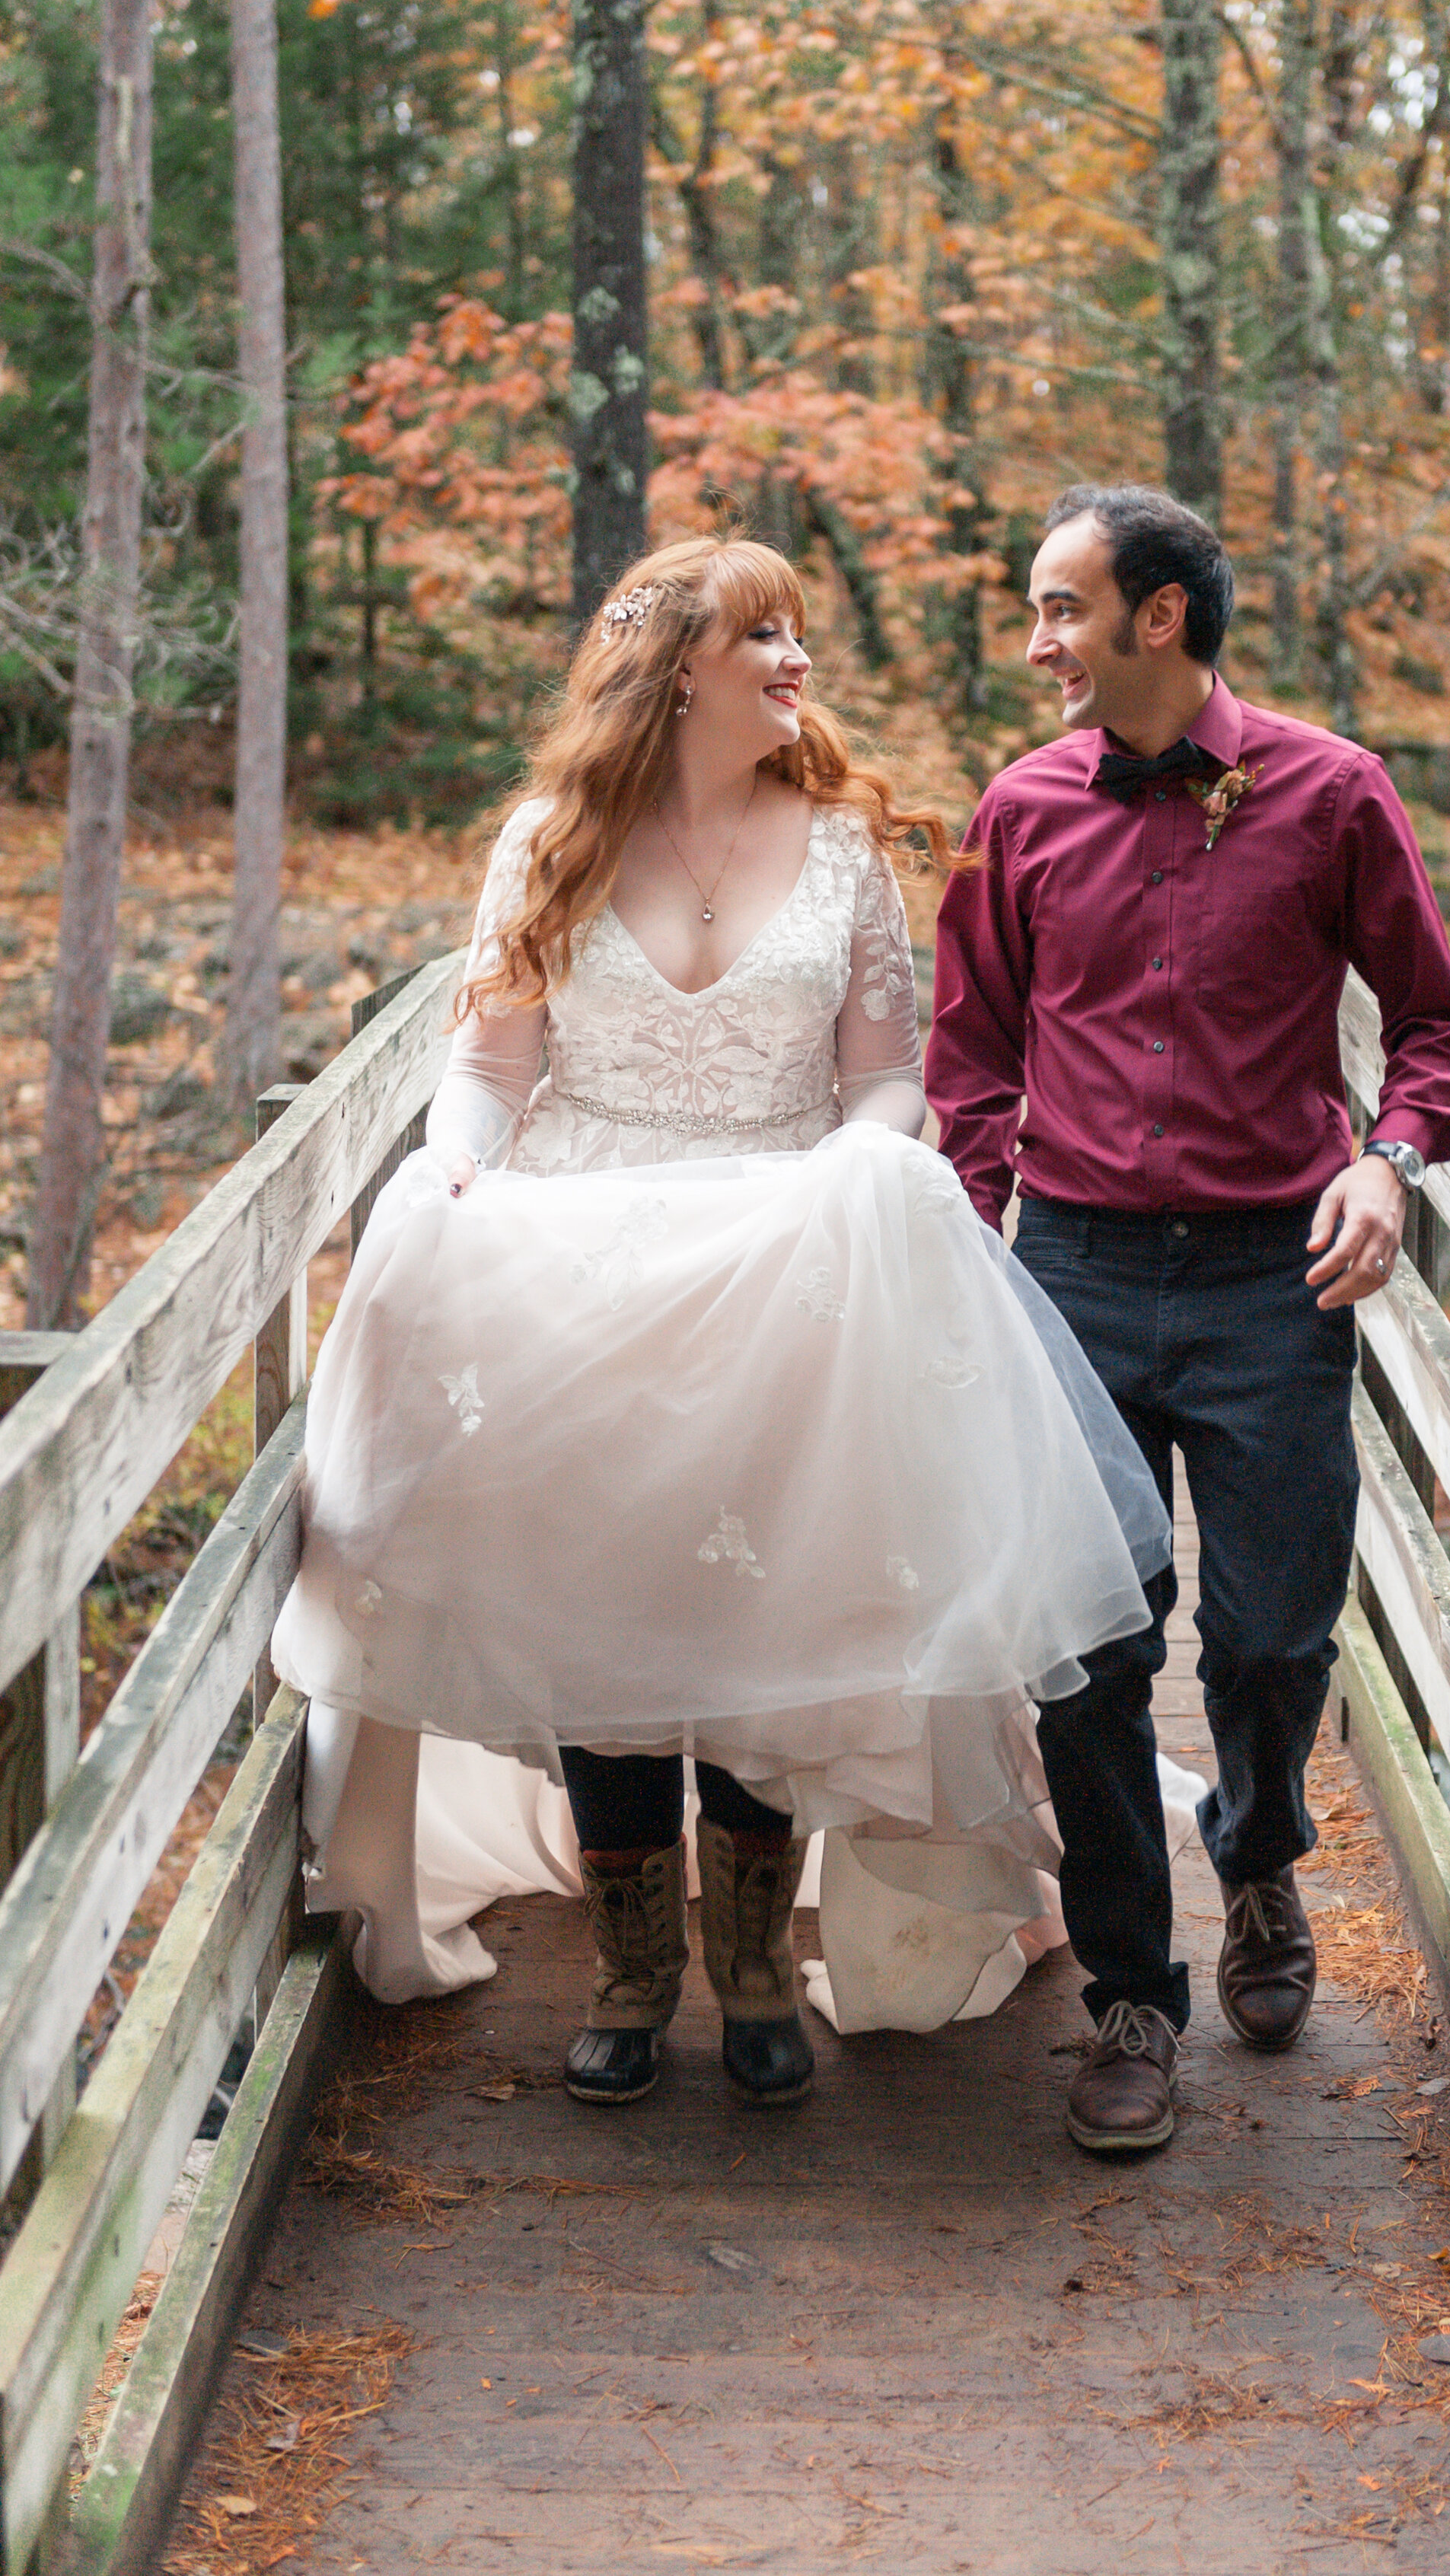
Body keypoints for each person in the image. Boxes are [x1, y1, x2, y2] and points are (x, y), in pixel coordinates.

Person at [272, 536, 1171, 2112]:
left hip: (780, 1266)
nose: (795, 657)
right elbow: (487, 1071)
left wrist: (857, 1162)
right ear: (678, 665)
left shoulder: (834, 847)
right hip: (584, 1268)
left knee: (764, 1621)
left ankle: (753, 1969)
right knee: (615, 1602)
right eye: (763, 632)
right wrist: (459, 1177)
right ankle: (633, 1974)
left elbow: (887, 1076)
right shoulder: (550, 835)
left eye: (798, 630)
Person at [927, 484, 1450, 2155]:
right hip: (1075, 1274)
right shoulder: (1017, 809)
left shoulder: (1330, 791)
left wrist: (1389, 1160)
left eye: (1057, 608)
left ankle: (1255, 1856)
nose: (1035, 642)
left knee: (1266, 1636)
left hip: (1273, 1275)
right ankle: (1127, 1994)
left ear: (1155, 615)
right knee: (1090, 1650)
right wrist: (967, 1248)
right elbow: (970, 1060)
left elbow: (1437, 1028)